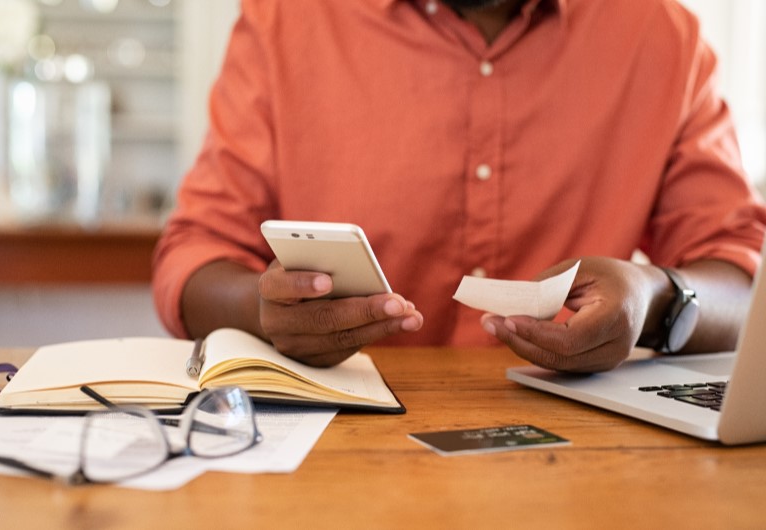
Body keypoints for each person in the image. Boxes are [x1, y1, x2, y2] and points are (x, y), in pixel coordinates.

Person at [153, 0, 766, 373]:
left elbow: (743, 280)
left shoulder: (664, 37)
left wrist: (655, 302)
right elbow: (192, 256)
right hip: (337, 448)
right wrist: (264, 312)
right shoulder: (286, 21)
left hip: (580, 451)